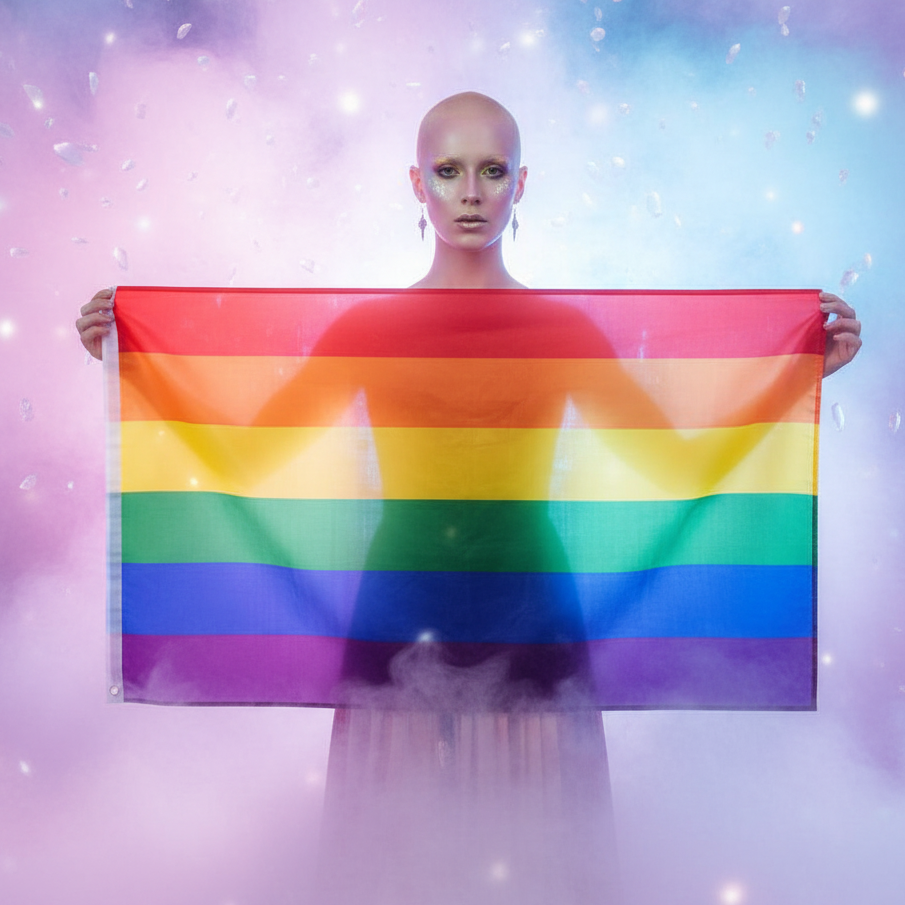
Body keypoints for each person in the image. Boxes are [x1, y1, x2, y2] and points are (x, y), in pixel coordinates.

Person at [78, 92, 862, 904]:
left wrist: (794, 377)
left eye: (491, 170)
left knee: (541, 863)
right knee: (390, 861)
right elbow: (246, 459)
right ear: (414, 183)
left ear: (522, 183)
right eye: (448, 171)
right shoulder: (365, 331)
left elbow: (676, 467)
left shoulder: (563, 333)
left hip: (533, 617)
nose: (470, 192)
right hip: (397, 614)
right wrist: (130, 363)